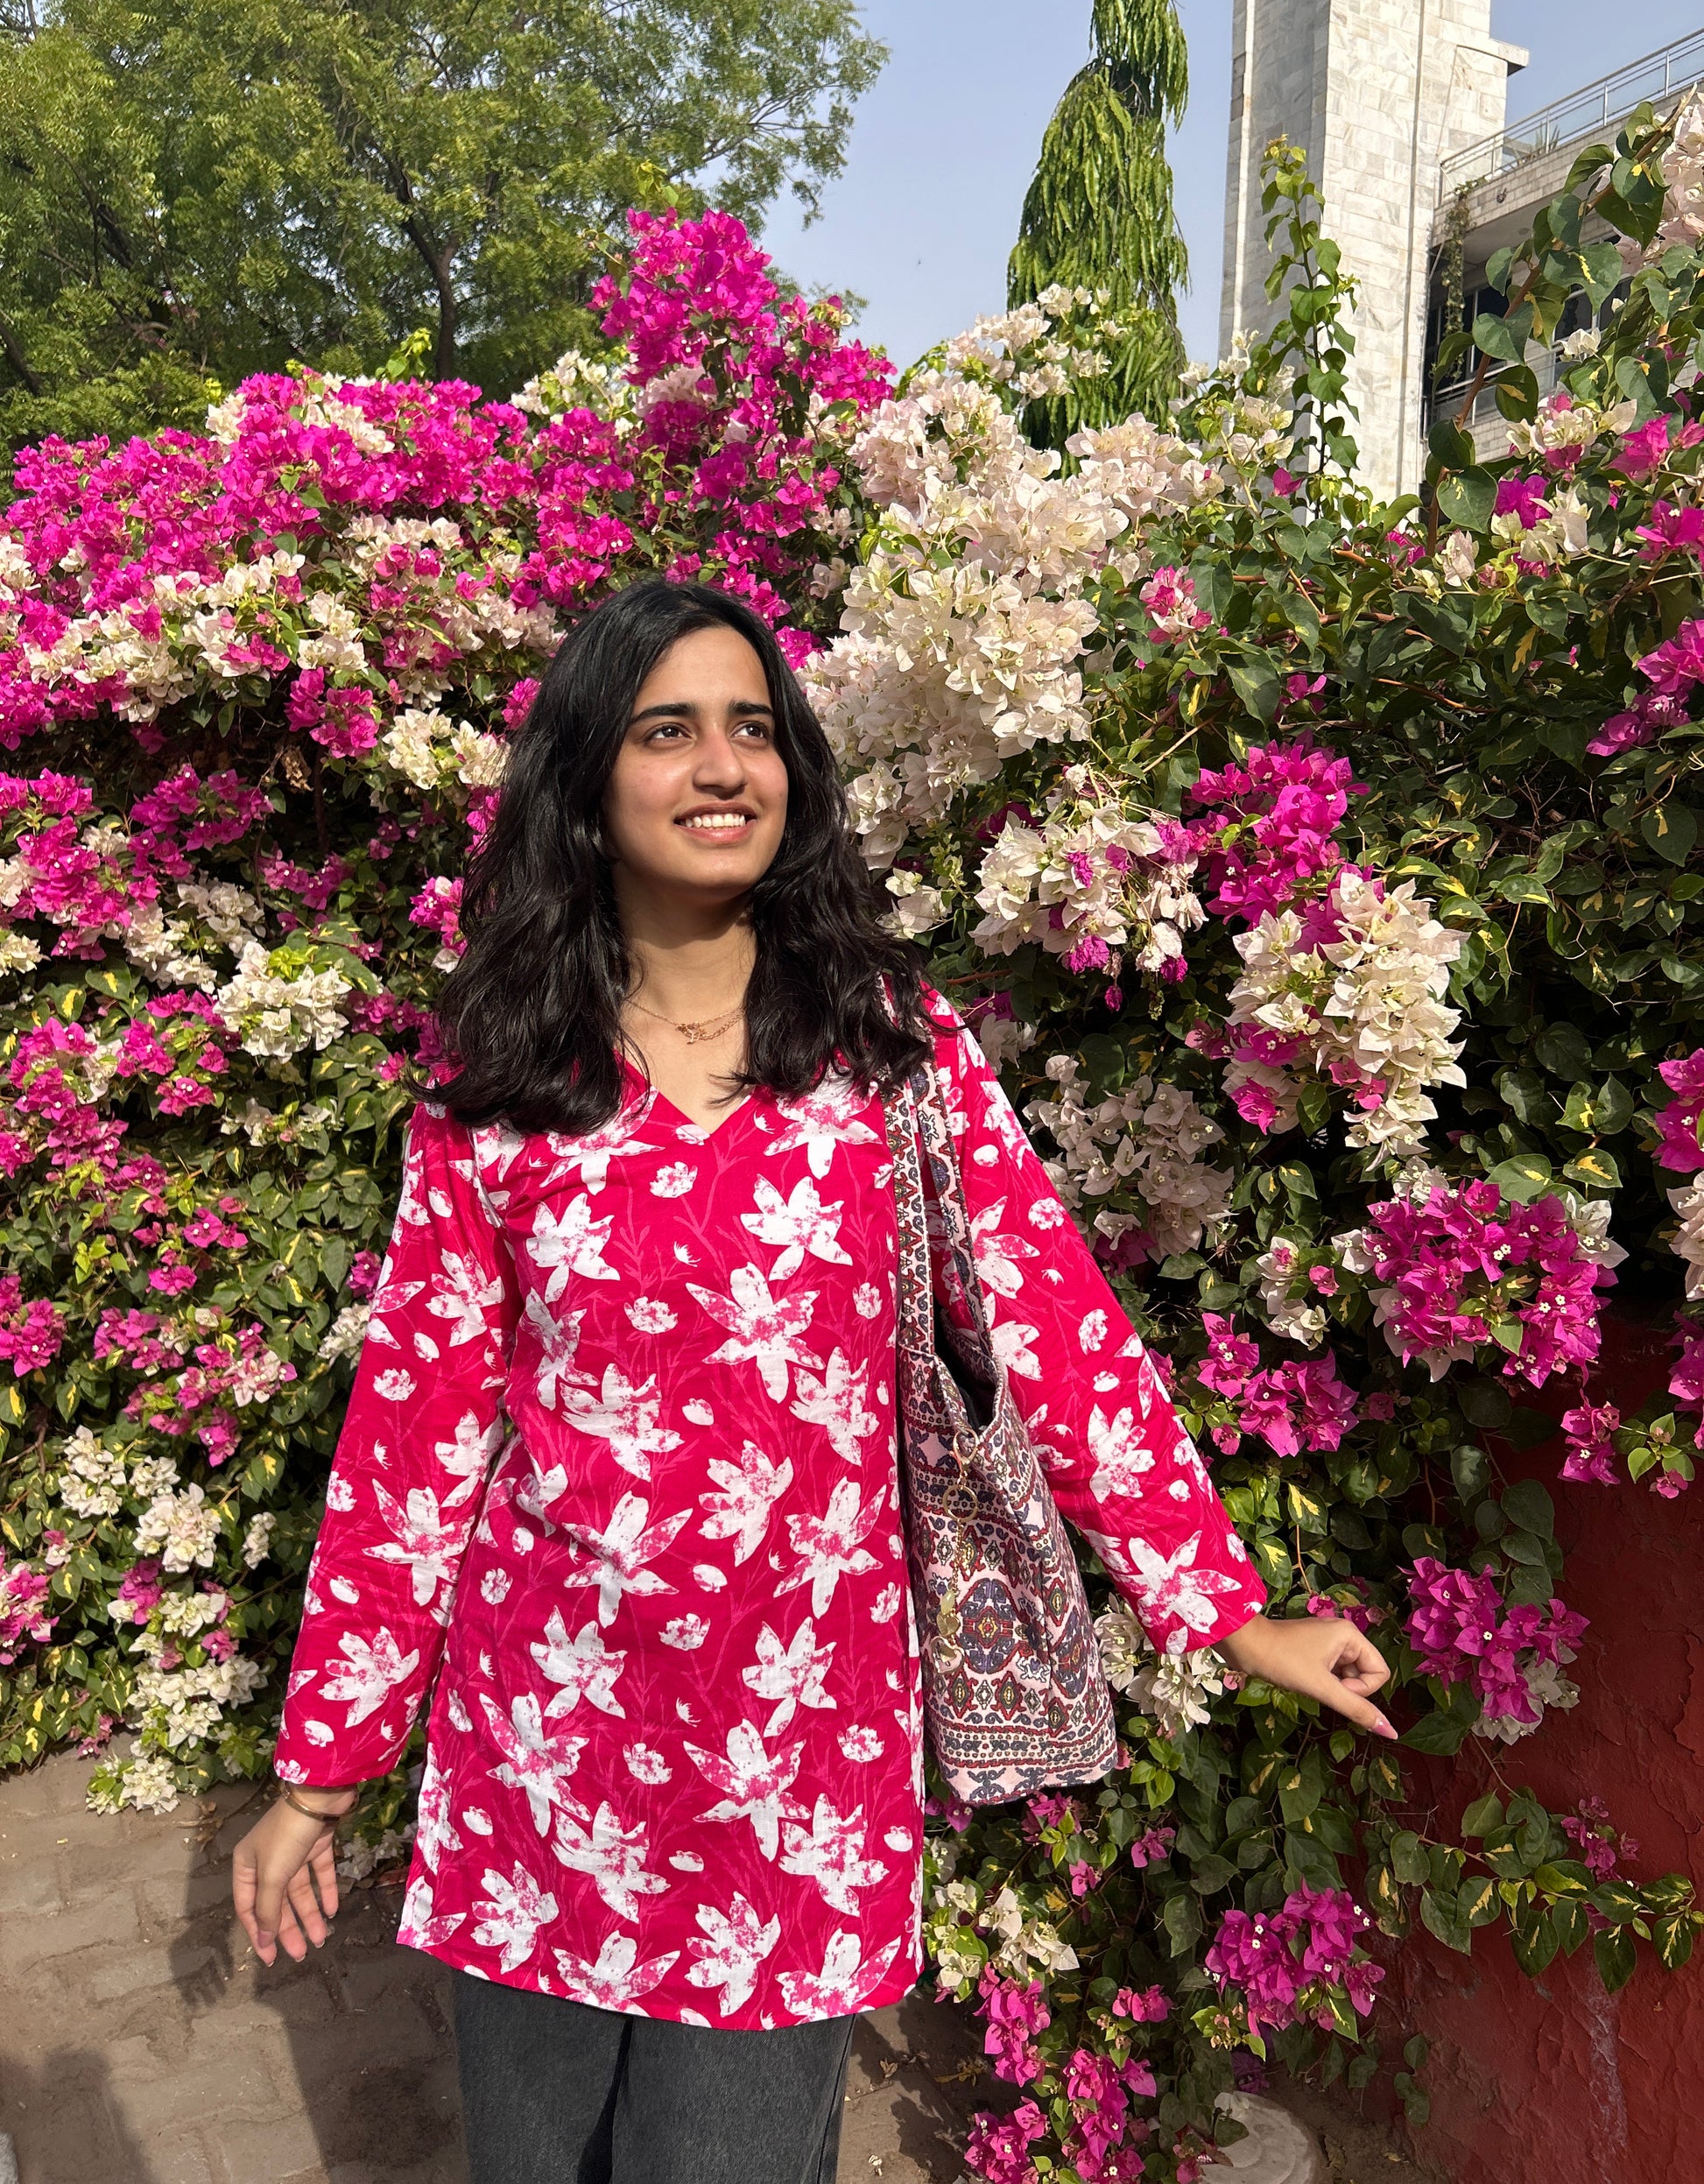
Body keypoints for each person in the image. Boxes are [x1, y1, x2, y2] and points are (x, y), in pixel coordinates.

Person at [231, 578, 1395, 2184]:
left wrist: (1220, 1607)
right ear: (582, 780)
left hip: (800, 1771)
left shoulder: (888, 1055)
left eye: (752, 730)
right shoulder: (499, 1087)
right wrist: (323, 1772)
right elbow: (417, 1442)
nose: (722, 767)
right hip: (540, 1755)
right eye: (665, 731)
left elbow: (1054, 1336)